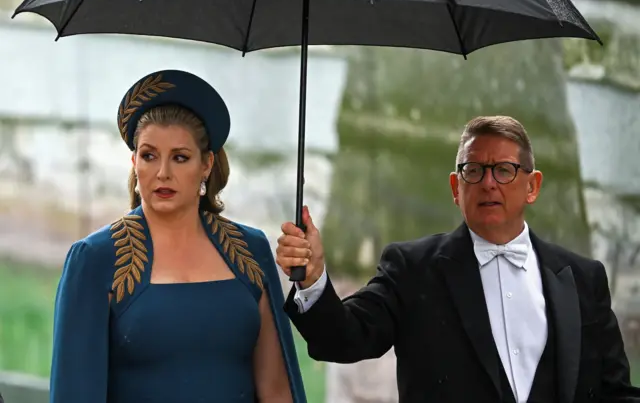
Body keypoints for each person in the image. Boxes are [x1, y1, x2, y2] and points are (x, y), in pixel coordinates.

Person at [276, 115, 640, 403]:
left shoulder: (583, 279)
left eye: (504, 170)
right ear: (456, 188)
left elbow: (615, 391)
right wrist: (313, 279)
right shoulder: (412, 268)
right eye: (474, 171)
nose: (488, 183)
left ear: (532, 186)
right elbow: (344, 338)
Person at [50, 69, 307, 403]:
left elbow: (276, 392)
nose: (163, 173)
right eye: (149, 155)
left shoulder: (249, 251)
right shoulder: (95, 260)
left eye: (180, 157)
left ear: (206, 164)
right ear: (134, 161)